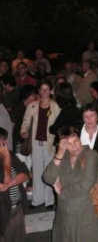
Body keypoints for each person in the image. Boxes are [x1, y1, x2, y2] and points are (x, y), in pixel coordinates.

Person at [43, 126, 98, 242]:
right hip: (65, 215)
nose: (74, 146)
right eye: (68, 144)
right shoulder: (64, 157)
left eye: (76, 140)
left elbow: (84, 185)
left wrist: (61, 191)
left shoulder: (91, 156)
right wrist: (60, 153)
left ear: (80, 139)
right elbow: (47, 177)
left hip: (86, 214)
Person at [20, 79, 60, 209]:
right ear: (39, 91)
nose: (44, 92)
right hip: (36, 143)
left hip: (50, 143)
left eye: (47, 89)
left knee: (49, 172)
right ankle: (37, 200)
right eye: (42, 89)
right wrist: (24, 131)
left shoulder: (55, 107)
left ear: (51, 91)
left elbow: (60, 126)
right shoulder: (32, 106)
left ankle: (49, 200)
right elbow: (25, 122)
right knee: (37, 171)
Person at [0, 127, 29, 242]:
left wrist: (11, 183)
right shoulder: (8, 155)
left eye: (5, 140)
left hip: (17, 208)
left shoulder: (10, 154)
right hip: (3, 212)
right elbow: (5, 182)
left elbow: (26, 173)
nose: (5, 143)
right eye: (2, 141)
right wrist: (6, 157)